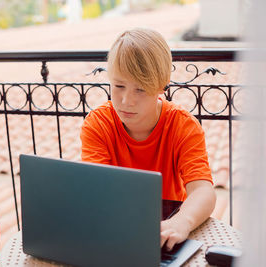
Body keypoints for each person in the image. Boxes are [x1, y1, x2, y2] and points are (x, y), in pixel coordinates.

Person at [80, 28, 216, 250]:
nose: (126, 101)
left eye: (140, 90)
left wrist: (182, 221)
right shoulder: (98, 124)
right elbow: (96, 192)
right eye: (119, 86)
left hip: (166, 234)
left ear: (161, 86)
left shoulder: (183, 125)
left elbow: (203, 190)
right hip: (115, 234)